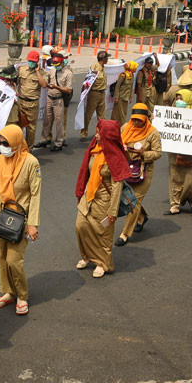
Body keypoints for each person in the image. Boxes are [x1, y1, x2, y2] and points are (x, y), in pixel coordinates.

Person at [0, 125, 41, 315]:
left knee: (14, 261)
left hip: (21, 219)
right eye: (0, 142)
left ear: (16, 142)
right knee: (2, 258)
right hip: (2, 216)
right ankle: (8, 292)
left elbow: (36, 194)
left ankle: (21, 295)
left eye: (6, 143)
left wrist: (33, 224)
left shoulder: (31, 163)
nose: (3, 146)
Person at [74, 119, 129, 278]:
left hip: (104, 202)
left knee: (103, 234)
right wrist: (80, 192)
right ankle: (87, 256)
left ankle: (102, 263)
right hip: (88, 197)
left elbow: (117, 186)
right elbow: (86, 173)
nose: (96, 135)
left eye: (99, 133)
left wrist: (112, 211)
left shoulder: (116, 156)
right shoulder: (94, 149)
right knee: (81, 227)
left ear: (107, 136)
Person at [115, 103, 161, 246]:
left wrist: (144, 154)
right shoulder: (124, 128)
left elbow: (158, 153)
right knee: (127, 197)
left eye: (139, 120)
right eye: (134, 119)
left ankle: (125, 234)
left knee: (135, 201)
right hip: (125, 169)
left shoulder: (153, 133)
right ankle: (141, 217)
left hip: (142, 171)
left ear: (145, 119)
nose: (136, 123)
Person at [166, 89, 192, 215]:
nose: (179, 101)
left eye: (182, 98)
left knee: (189, 182)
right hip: (174, 153)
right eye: (177, 98)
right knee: (175, 179)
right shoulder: (170, 114)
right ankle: (174, 205)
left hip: (191, 154)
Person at [36, 53, 72, 151]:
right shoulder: (52, 70)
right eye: (54, 64)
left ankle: (59, 142)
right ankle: (43, 140)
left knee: (59, 122)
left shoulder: (68, 73)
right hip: (49, 98)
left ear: (62, 63)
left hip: (58, 100)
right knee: (46, 121)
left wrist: (56, 87)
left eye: (58, 64)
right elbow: (46, 81)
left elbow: (69, 90)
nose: (56, 66)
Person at [12, 51, 49, 148]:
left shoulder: (42, 73)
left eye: (33, 61)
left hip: (32, 104)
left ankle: (29, 149)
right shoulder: (21, 69)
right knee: (17, 125)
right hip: (21, 101)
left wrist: (37, 71)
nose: (31, 63)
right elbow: (15, 82)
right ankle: (18, 147)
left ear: (37, 62)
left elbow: (44, 85)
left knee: (31, 128)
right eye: (30, 61)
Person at [81, 51, 109, 142]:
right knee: (88, 114)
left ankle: (101, 133)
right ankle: (84, 133)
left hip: (102, 93)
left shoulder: (104, 68)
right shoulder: (94, 67)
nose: (108, 59)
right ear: (103, 58)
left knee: (102, 116)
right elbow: (88, 80)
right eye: (106, 58)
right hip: (94, 93)